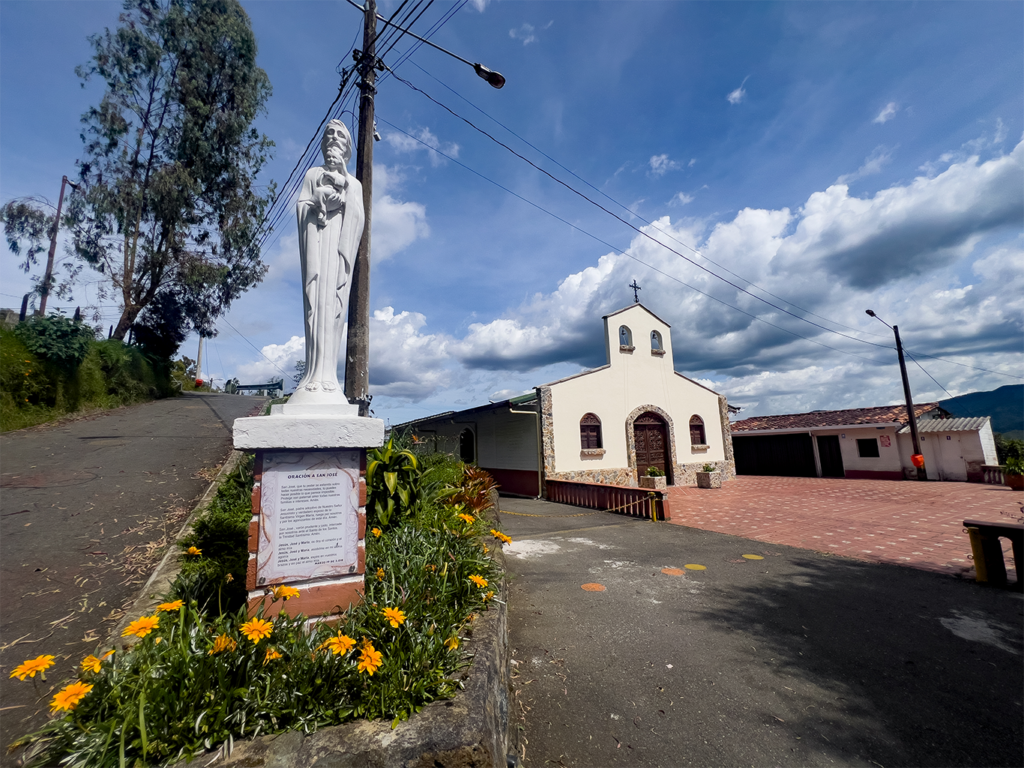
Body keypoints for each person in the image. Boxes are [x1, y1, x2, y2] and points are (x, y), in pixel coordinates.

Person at [292, 120, 365, 403]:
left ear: (347, 145)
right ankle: (312, 375)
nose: (334, 138)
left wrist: (344, 197)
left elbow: (358, 218)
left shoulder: (354, 184)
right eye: (329, 134)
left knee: (334, 308)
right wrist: (317, 208)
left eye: (340, 135)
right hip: (317, 244)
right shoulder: (313, 174)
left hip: (337, 251)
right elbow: (301, 207)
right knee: (315, 307)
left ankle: (328, 378)